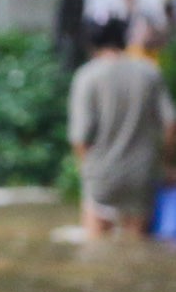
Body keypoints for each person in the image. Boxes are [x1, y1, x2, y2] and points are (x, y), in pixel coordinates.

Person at [69, 16, 176, 241]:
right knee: (137, 247)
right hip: (142, 173)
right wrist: (166, 163)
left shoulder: (87, 76)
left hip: (101, 174)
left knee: (94, 252)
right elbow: (170, 124)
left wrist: (86, 170)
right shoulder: (149, 72)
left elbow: (80, 137)